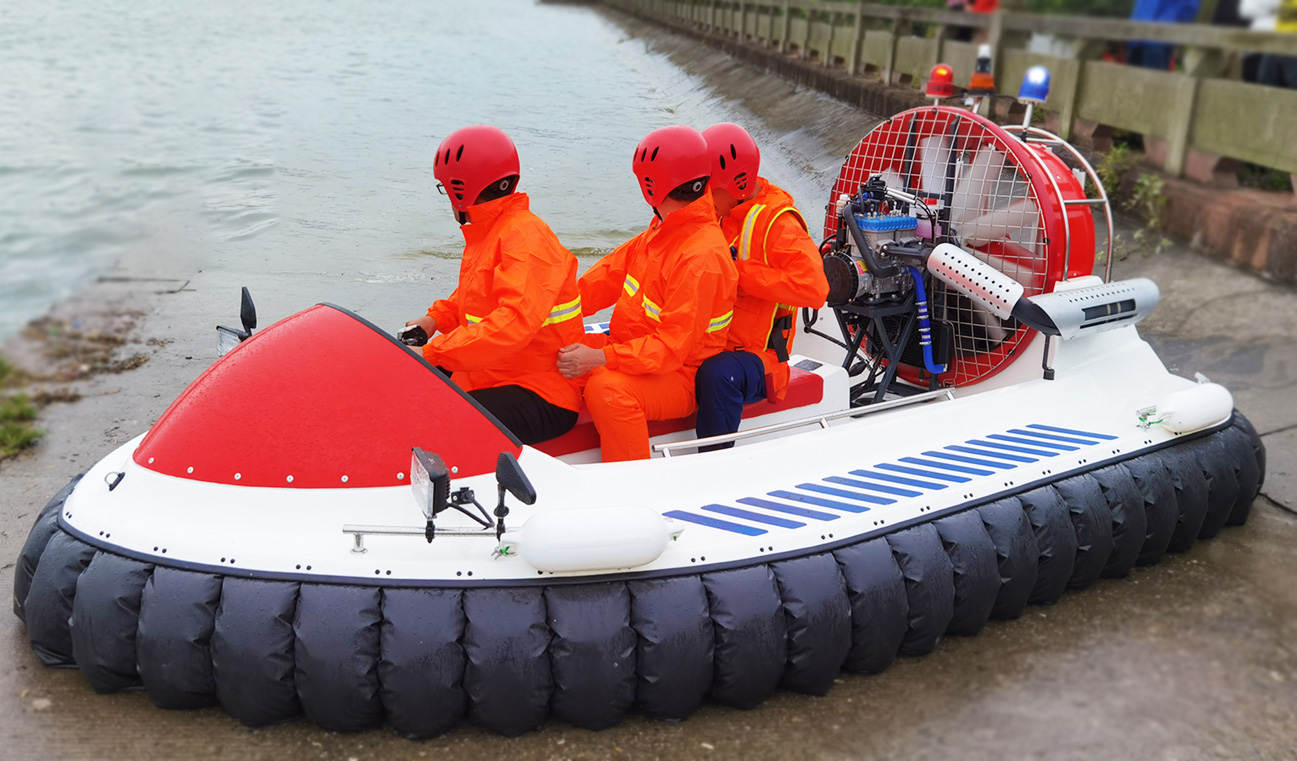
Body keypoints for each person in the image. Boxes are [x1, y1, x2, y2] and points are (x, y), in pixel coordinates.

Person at [556, 125, 737, 462]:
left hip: (680, 375)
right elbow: (601, 281)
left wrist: (601, 358)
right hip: (635, 353)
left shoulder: (701, 257)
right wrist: (542, 316)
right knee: (555, 350)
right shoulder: (664, 230)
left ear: (650, 186)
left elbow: (670, 348)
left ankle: (631, 481)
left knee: (607, 389)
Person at [405, 125, 583, 445]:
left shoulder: (524, 236)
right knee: (403, 385)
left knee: (435, 422)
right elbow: (476, 295)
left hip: (541, 391)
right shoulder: (494, 229)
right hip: (491, 372)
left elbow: (512, 323)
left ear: (460, 191)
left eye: (445, 189)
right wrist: (434, 320)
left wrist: (432, 352)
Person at [693, 123, 829, 452]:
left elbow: (815, 289)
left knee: (717, 375)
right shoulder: (721, 212)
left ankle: (712, 466)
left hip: (760, 360)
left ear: (736, 183)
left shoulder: (779, 224)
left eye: (710, 188)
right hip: (711, 342)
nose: (704, 197)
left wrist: (739, 272)